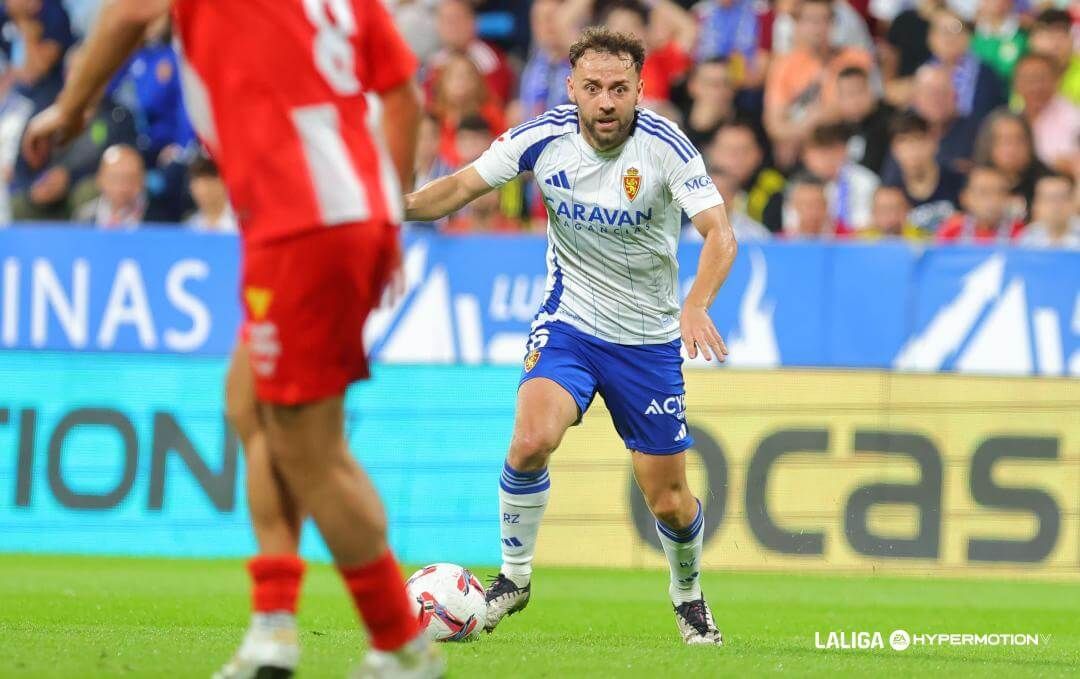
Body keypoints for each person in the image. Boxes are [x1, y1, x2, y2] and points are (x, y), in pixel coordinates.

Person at [22, 2, 440, 679]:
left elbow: (129, 12)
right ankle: (274, 628)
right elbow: (399, 94)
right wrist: (387, 215)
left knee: (312, 449)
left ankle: (402, 645)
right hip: (341, 214)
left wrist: (70, 110)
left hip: (302, 221)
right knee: (248, 403)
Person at [404, 26, 736, 645]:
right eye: (592, 88)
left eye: (618, 88)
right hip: (571, 324)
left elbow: (721, 234)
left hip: (649, 342)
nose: (605, 101)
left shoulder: (667, 148)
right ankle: (514, 576)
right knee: (531, 438)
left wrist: (696, 303)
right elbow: (457, 188)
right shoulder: (541, 138)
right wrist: (379, 210)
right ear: (572, 89)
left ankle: (688, 595)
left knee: (667, 499)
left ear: (640, 89)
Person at [764, 0, 874, 159]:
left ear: (833, 23)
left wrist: (826, 114)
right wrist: (808, 124)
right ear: (797, 24)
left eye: (824, 20)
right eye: (810, 20)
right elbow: (775, 126)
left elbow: (868, 103)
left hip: (851, 138)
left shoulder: (856, 58)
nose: (817, 28)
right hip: (804, 148)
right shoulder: (783, 66)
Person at [881, 110, 964, 232]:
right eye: (903, 141)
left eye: (918, 140)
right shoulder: (890, 192)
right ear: (894, 149)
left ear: (934, 142)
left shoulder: (958, 183)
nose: (912, 150)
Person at [707, 121, 785, 232]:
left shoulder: (775, 190)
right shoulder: (690, 190)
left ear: (758, 154)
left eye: (744, 150)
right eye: (728, 150)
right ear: (712, 153)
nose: (736, 158)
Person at [800, 122, 879, 231]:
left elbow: (874, 221)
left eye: (832, 151)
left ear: (844, 150)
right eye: (820, 153)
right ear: (807, 156)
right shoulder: (800, 187)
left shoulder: (866, 181)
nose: (826, 160)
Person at [972, 108, 1051, 217]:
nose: (1011, 149)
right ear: (988, 145)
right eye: (1003, 141)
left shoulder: (1046, 180)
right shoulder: (976, 181)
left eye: (1018, 140)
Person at [1011, 52, 1080, 174]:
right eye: (1029, 79)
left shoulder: (1074, 117)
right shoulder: (1010, 118)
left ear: (1057, 80)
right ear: (1016, 84)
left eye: (1042, 79)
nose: (1036, 87)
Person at [936, 165, 1025, 243]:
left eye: (1000, 192)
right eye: (983, 192)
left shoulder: (1021, 233)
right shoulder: (951, 231)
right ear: (965, 198)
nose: (993, 199)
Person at [835, 65, 894, 174]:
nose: (854, 101)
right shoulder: (840, 130)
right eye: (848, 94)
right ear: (839, 99)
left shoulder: (891, 122)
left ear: (872, 90)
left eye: (859, 91)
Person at [73, 143, 147, 228]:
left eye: (130, 178)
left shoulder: (158, 217)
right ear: (99, 179)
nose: (122, 187)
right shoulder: (85, 217)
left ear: (142, 180)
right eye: (115, 178)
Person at [1027, 9, 1080, 105]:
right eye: (1048, 36)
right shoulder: (1025, 73)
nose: (1055, 44)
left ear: (1072, 40)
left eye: (1061, 35)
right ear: (1033, 41)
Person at [1019, 174, 1080, 249]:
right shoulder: (1028, 235)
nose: (1056, 205)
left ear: (1073, 202)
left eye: (1063, 198)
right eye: (1049, 199)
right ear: (1036, 205)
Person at [185, 154, 236, 233]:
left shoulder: (240, 222)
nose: (202, 191)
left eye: (208, 183)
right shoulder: (191, 226)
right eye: (197, 185)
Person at [861, 185, 928, 240]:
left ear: (906, 211)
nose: (888, 216)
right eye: (883, 210)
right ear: (873, 212)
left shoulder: (921, 242)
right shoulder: (859, 242)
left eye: (894, 209)